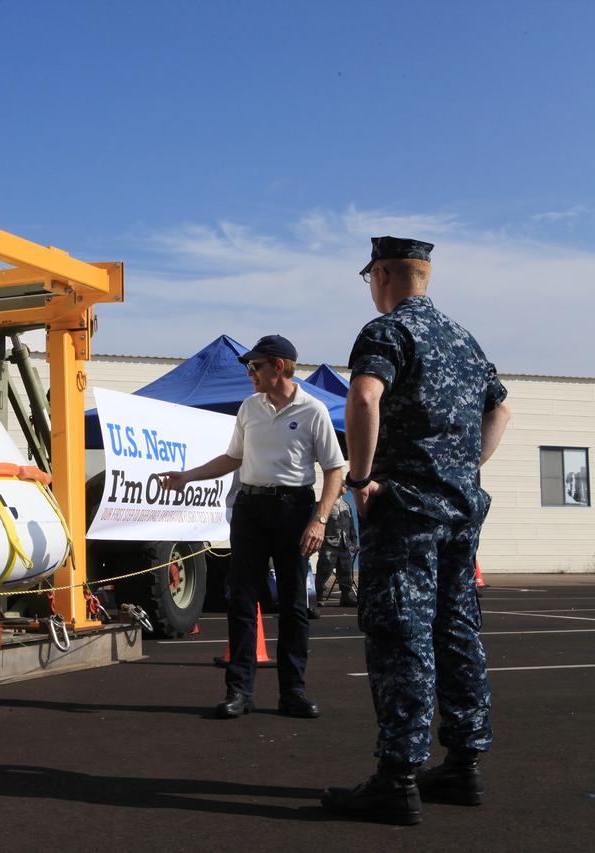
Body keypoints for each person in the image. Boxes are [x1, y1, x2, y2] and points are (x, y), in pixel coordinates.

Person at [323, 237, 512, 825]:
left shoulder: (387, 332)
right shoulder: (464, 340)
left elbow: (363, 394)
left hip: (405, 510)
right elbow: (501, 408)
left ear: (382, 274)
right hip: (460, 512)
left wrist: (360, 478)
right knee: (457, 631)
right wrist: (463, 470)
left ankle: (398, 775)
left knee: (400, 631)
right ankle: (462, 764)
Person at [161, 334, 345, 720]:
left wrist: (320, 519)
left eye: (255, 366)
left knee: (294, 604)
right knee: (242, 600)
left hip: (294, 508)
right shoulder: (249, 408)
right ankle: (239, 691)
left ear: (278, 366)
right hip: (250, 507)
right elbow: (233, 457)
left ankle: (292, 691)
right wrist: (187, 476)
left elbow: (334, 470)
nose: (250, 373)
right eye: (249, 367)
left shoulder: (313, 411)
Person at [315, 483, 358, 606]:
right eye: (343, 485)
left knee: (346, 571)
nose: (345, 488)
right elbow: (319, 525)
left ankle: (346, 596)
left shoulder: (346, 506)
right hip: (329, 544)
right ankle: (319, 597)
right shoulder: (325, 505)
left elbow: (351, 527)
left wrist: (353, 543)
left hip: (344, 545)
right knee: (324, 571)